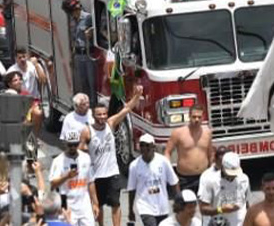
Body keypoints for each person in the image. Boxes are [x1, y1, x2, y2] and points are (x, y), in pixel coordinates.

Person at [79, 85, 142, 226]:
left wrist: (137, 96)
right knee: (99, 206)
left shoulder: (110, 123)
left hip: (112, 173)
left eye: (103, 114)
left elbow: (126, 110)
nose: (102, 117)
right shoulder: (87, 131)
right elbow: (79, 151)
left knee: (116, 204)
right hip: (96, 175)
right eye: (98, 115)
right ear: (93, 116)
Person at [128, 134, 179, 226]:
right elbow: (132, 189)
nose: (144, 148)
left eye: (147, 145)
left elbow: (174, 182)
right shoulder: (134, 166)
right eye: (142, 145)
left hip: (162, 206)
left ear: (153, 147)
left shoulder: (163, 161)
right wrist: (130, 210)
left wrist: (179, 202)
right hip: (145, 206)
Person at [49, 131, 99, 226]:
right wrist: (66, 176)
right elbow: (53, 184)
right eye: (70, 145)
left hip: (85, 204)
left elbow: (91, 181)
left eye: (75, 144)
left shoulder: (86, 158)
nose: (72, 147)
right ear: (65, 143)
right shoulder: (58, 161)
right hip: (68, 205)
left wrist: (95, 203)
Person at [164, 105, 212, 194]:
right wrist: (169, 171)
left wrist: (213, 171)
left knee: (205, 206)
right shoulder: (178, 133)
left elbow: (210, 154)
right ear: (189, 116)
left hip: (204, 177)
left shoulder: (207, 133)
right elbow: (167, 152)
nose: (197, 119)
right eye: (194, 117)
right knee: (185, 206)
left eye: (199, 117)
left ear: (203, 117)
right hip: (184, 179)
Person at [198, 152, 251, 226]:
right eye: (230, 173)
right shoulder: (211, 181)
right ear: (222, 167)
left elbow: (247, 204)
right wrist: (221, 209)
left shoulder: (244, 179)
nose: (232, 176)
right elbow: (203, 209)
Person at [63, 0, 96, 105]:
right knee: (83, 82)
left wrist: (92, 31)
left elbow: (99, 31)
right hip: (78, 55)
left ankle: (94, 105)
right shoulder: (73, 20)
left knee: (92, 82)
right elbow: (74, 40)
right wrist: (72, 57)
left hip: (88, 54)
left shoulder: (88, 18)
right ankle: (85, 105)